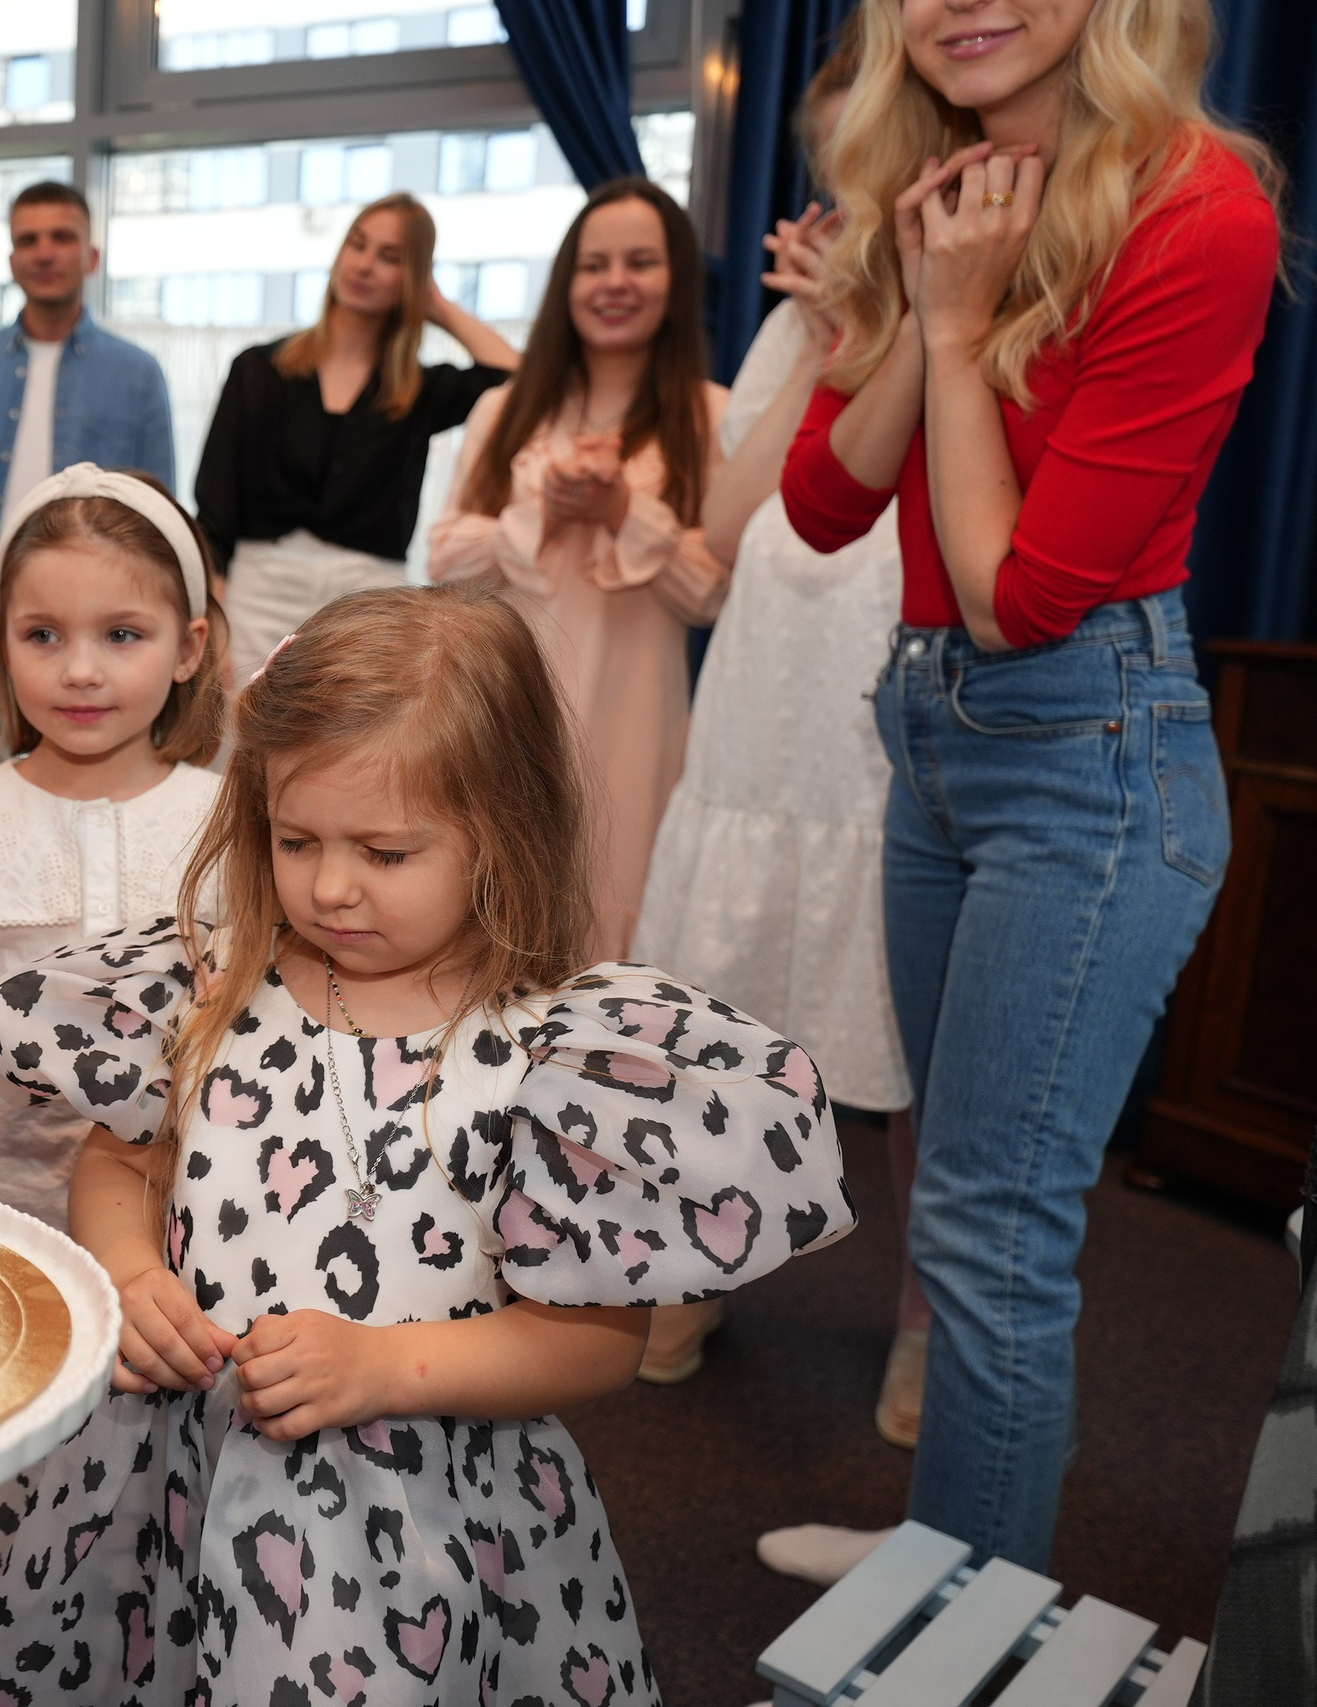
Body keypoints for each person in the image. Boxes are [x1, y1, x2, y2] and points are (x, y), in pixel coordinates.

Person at [0, 583, 851, 1705]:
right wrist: (133, 1271)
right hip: (165, 1475)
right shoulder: (211, 983)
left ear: (500, 833)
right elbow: (120, 1162)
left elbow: (593, 1344)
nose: (331, 886)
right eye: (295, 839)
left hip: (419, 1521)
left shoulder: (552, 1060)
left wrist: (383, 1366)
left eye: (386, 853)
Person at [762, 0, 1279, 1581]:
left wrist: (959, 324)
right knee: (950, 1195)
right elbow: (824, 501)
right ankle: (946, 1551)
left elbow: (1017, 594)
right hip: (933, 732)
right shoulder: (935, 190)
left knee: (992, 1227)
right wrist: (929, 295)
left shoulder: (1197, 208)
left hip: (1086, 754)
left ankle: (967, 1618)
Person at [627, 42, 926, 1411]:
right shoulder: (802, 313)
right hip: (769, 679)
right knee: (722, 1003)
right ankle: (697, 1262)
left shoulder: (993, 284)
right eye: (836, 152)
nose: (853, 177)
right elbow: (731, 515)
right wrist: (825, 343)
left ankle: (929, 1313)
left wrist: (887, 335)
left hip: (899, 659)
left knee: (917, 1036)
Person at [0, 465, 226, 1231]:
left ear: (189, 648)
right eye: (42, 635)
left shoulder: (236, 827)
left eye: (122, 634)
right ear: (3, 641)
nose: (80, 671)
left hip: (193, 1243)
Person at [427, 177, 728, 965]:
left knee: (611, 907)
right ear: (567, 281)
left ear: (677, 279)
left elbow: (715, 588)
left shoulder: (713, 415)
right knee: (491, 907)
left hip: (637, 713)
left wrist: (624, 509)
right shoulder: (505, 409)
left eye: (640, 263)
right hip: (506, 702)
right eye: (595, 265)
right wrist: (545, 514)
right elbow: (446, 559)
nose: (615, 283)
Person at [0, 180, 177, 783]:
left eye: (62, 237)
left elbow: (159, 517)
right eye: (29, 240)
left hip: (93, 628)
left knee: (86, 787)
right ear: (12, 260)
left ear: (92, 256)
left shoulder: (137, 374)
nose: (45, 252)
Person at [195, 191, 517, 685]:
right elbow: (215, 509)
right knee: (242, 723)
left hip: (368, 594)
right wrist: (214, 620)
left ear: (412, 278)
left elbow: (516, 379)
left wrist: (437, 306)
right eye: (357, 244)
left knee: (358, 729)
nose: (364, 265)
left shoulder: (418, 390)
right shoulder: (258, 369)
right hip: (259, 586)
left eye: (390, 257)